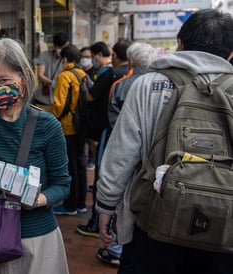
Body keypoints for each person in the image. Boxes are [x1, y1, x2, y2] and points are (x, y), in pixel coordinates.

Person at [96, 9, 233, 274]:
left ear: (180, 44)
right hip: (224, 229)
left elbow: (121, 154)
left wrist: (105, 205)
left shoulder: (148, 84)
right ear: (230, 54)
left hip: (152, 223)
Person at [0, 38, 71, 273]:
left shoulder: (47, 125)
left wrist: (36, 199)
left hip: (35, 236)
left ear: (23, 78)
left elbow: (63, 184)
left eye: (4, 80)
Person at [96, 42, 157, 266]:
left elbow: (114, 119)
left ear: (131, 60)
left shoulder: (122, 85)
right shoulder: (167, 85)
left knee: (123, 195)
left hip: (123, 147)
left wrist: (105, 206)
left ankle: (116, 246)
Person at [77, 39, 131, 237]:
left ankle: (96, 224)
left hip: (108, 131)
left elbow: (90, 97)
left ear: (114, 55)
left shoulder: (110, 74)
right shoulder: (136, 76)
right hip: (129, 135)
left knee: (104, 177)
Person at [50, 44, 88, 215]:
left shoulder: (64, 77)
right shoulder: (82, 74)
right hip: (81, 126)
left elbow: (59, 106)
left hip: (68, 127)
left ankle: (70, 205)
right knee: (80, 165)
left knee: (70, 167)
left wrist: (48, 114)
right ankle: (81, 203)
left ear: (64, 59)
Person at [33, 32, 70, 111]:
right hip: (43, 98)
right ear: (55, 46)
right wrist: (53, 83)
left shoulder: (67, 59)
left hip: (59, 99)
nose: (63, 50)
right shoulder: (44, 55)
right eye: (61, 48)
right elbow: (40, 75)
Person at [80, 46, 98, 171]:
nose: (84, 59)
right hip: (81, 111)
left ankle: (91, 160)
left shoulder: (96, 72)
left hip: (91, 111)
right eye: (82, 57)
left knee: (91, 139)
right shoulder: (79, 71)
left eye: (87, 57)